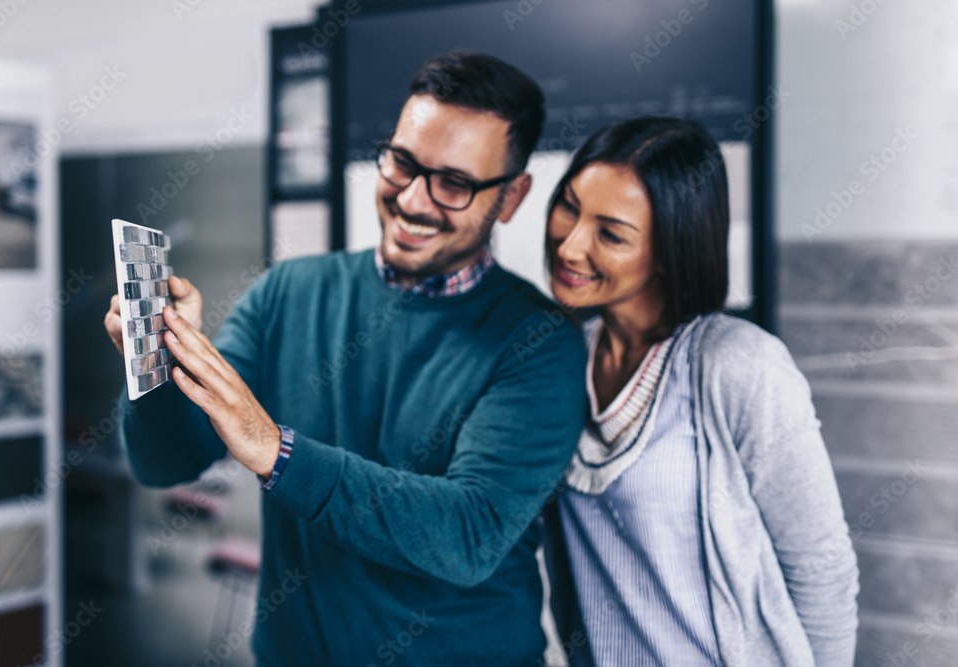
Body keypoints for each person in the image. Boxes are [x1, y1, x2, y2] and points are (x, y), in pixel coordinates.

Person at [104, 50, 587, 666]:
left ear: (511, 197)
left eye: (455, 183)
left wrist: (276, 452)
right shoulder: (288, 292)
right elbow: (167, 461)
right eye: (403, 163)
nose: (413, 200)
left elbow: (468, 535)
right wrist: (153, 371)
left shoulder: (540, 340)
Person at [542, 117, 859, 666]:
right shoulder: (561, 363)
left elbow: (821, 569)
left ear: (668, 249)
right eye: (569, 206)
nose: (570, 246)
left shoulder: (739, 365)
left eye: (610, 234)